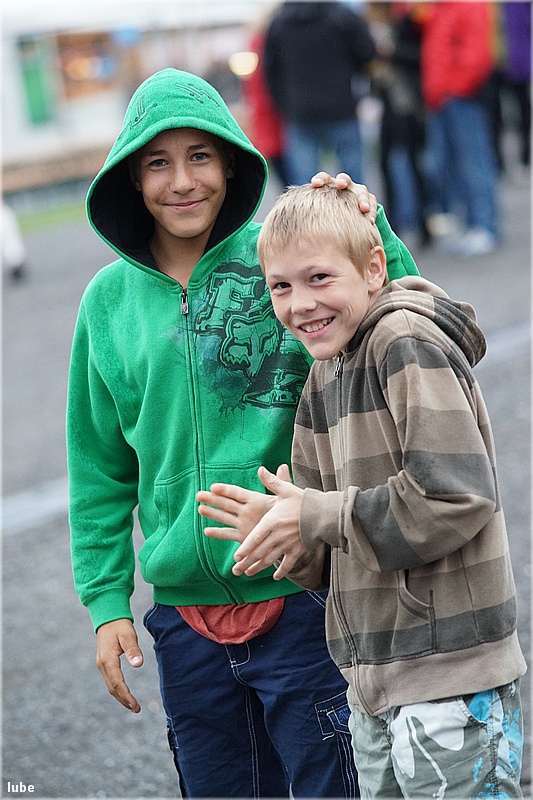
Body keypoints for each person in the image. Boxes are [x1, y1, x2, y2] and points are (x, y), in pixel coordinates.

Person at [67, 67, 419, 798]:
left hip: (305, 593)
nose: (181, 181)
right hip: (182, 618)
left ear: (231, 162)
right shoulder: (105, 303)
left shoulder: (282, 263)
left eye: (200, 156)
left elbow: (399, 329)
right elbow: (98, 465)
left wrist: (373, 228)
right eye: (157, 163)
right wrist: (106, 605)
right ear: (130, 177)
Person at [197, 182, 527, 798]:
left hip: (451, 674)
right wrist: (287, 539)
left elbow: (454, 498)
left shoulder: (404, 341)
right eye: (280, 286)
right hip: (371, 684)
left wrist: (315, 514)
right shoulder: (321, 378)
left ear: (374, 268)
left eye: (319, 278)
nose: (301, 303)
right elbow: (333, 547)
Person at [262, 1, 376, 185]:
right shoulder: (342, 16)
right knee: (352, 185)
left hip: (300, 113)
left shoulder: (279, 22)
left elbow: (269, 72)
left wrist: (285, 106)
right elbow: (367, 53)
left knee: (305, 186)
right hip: (341, 108)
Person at [420, 1, 500, 257]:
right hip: (443, 98)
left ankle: (484, 226)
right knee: (453, 166)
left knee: (474, 163)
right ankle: (472, 224)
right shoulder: (441, 8)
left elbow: (476, 56)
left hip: (461, 98)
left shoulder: (468, 5)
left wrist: (454, 88)